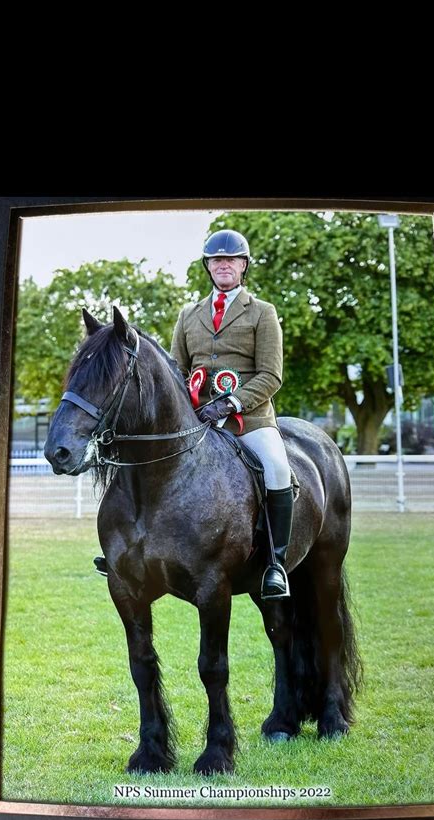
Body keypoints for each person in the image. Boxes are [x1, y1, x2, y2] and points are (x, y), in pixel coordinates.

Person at [170, 229, 293, 599]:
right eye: (216, 260)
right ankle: (130, 549)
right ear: (208, 267)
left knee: (277, 467)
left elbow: (271, 375)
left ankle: (275, 563)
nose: (224, 264)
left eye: (231, 259)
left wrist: (229, 403)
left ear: (243, 266)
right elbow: (176, 369)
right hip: (196, 421)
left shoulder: (262, 313)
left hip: (249, 418)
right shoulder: (188, 315)